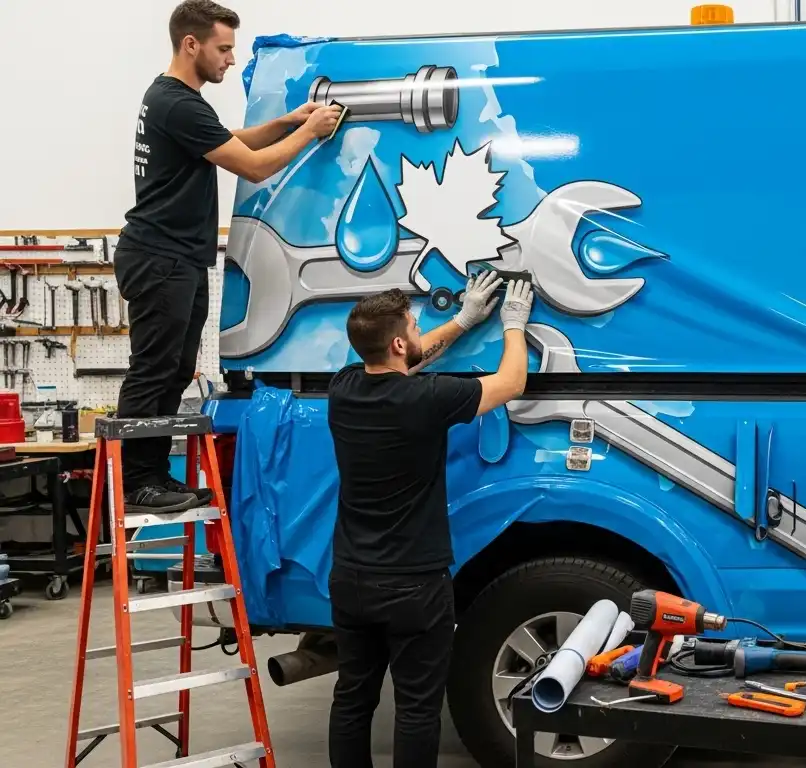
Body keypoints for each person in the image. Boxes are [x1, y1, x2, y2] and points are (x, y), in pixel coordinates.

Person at [115, 0, 343, 513]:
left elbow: (231, 141)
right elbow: (255, 168)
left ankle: (152, 477)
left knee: (176, 370)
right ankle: (136, 482)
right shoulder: (178, 103)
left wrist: (289, 120)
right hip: (160, 256)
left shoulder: (178, 101)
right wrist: (312, 132)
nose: (232, 60)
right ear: (190, 44)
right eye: (224, 49)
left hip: (178, 258)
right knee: (154, 369)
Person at [325, 272, 534, 768]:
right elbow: (511, 382)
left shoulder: (344, 388)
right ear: (398, 342)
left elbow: (407, 362)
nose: (422, 332)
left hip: (351, 578)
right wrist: (512, 324)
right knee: (417, 708)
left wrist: (461, 321)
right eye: (416, 327)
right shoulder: (427, 400)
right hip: (413, 586)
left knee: (352, 697)